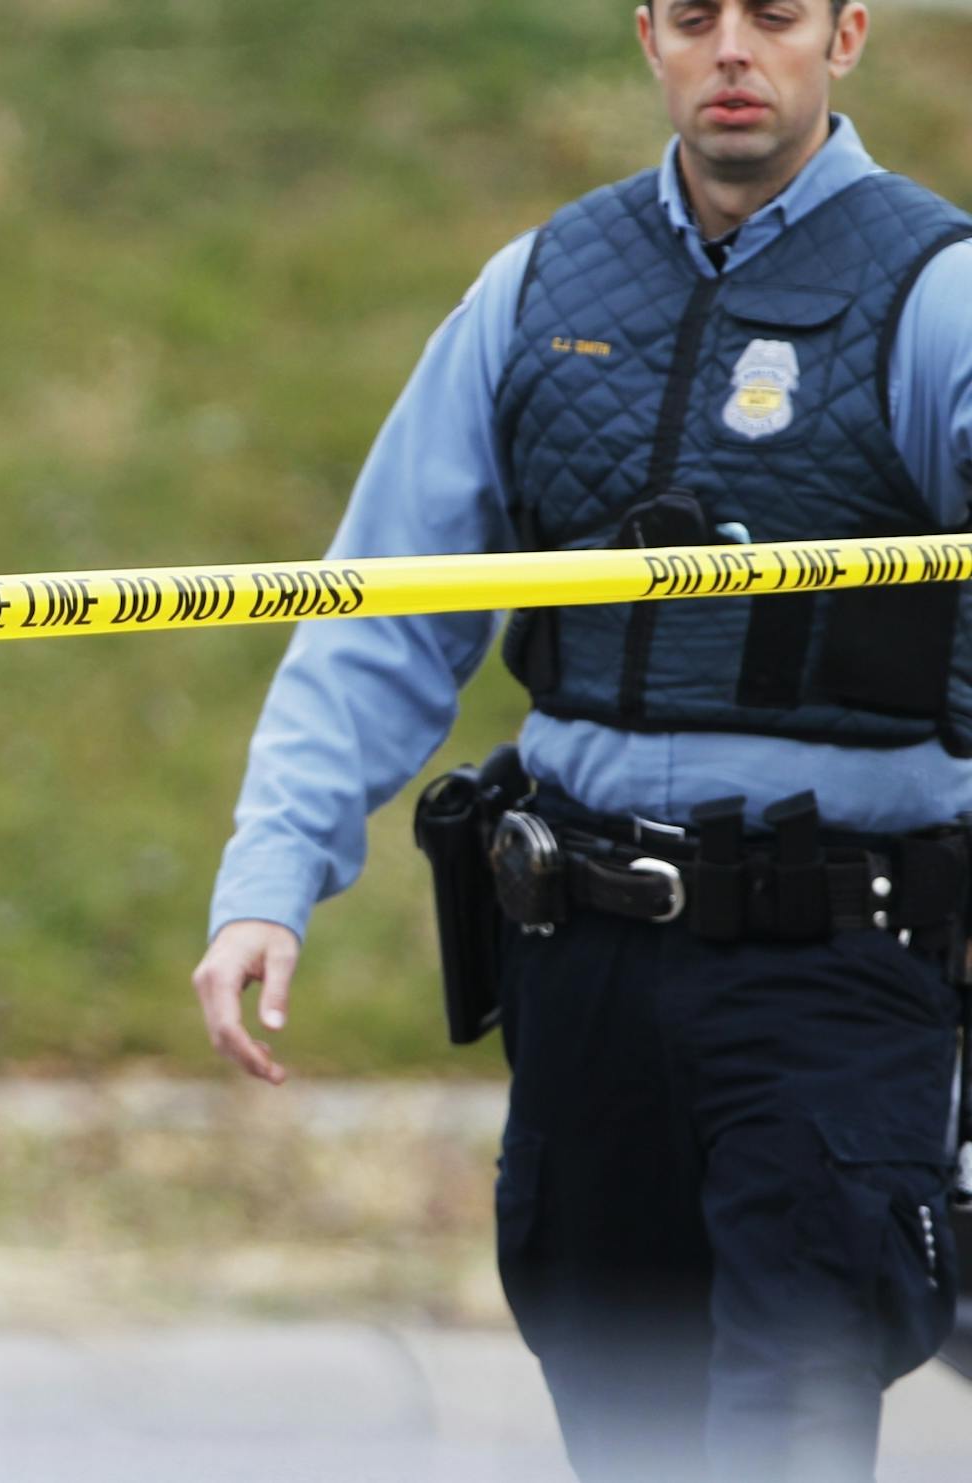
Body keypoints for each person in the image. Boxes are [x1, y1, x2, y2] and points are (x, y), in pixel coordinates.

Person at [192, 3, 971, 1479]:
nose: (734, 49)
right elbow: (382, 611)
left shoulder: (940, 288)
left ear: (849, 34)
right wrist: (267, 878)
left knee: (787, 1432)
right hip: (584, 970)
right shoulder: (539, 285)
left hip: (831, 974)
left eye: (777, 14)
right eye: (695, 16)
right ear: (648, 39)